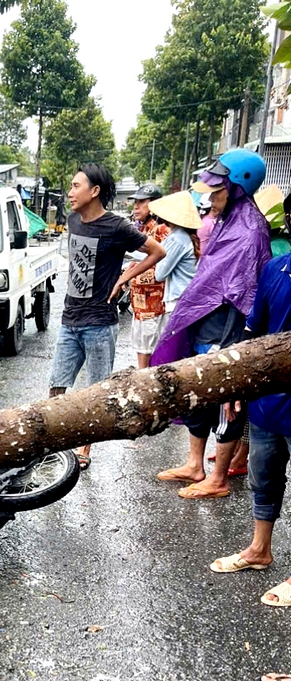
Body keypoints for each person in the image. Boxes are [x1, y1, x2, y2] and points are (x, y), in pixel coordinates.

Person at [152, 149, 271, 499]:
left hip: (225, 335)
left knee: (226, 404)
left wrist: (233, 351)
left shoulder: (250, 232)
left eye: (215, 190)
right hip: (204, 328)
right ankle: (194, 464)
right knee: (197, 399)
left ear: (236, 188)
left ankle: (218, 478)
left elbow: (245, 296)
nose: (208, 196)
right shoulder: (225, 221)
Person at [49, 163, 165, 470]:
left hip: (100, 322)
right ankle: (54, 442)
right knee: (56, 386)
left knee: (96, 392)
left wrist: (125, 276)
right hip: (69, 319)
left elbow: (157, 252)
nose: (70, 192)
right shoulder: (73, 220)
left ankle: (85, 449)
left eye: (76, 186)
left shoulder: (116, 227)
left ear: (95, 191)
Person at [208, 206, 291, 602]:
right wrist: (237, 383)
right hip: (268, 402)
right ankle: (259, 549)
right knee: (263, 477)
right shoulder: (275, 270)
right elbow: (253, 334)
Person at [123, 184, 170, 368]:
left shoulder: (162, 231)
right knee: (141, 352)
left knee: (149, 358)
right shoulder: (141, 230)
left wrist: (132, 276)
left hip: (154, 305)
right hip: (140, 305)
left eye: (141, 202)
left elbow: (162, 269)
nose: (136, 207)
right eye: (135, 202)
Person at [148, 191, 201, 322]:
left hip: (178, 302)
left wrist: (154, 258)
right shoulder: (182, 235)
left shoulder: (177, 239)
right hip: (186, 299)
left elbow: (160, 274)